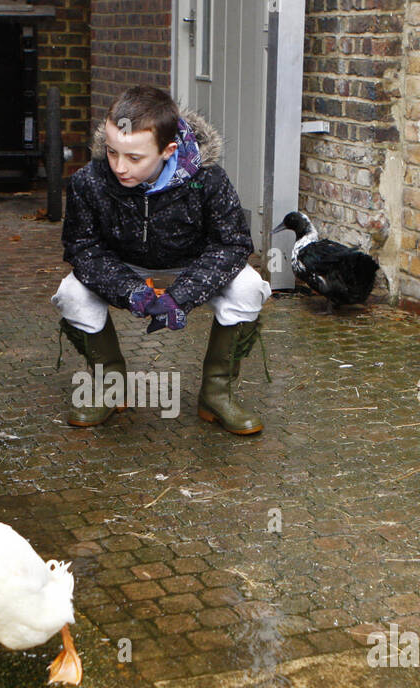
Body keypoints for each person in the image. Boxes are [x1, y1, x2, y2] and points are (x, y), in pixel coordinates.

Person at [54, 85, 271, 435]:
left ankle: (216, 394)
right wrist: (131, 291)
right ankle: (111, 388)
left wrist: (181, 296)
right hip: (124, 267)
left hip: (192, 265)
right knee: (72, 294)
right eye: (112, 152)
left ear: (169, 150)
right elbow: (82, 249)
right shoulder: (89, 181)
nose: (119, 167)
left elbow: (231, 245)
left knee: (248, 287)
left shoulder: (207, 180)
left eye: (135, 158)